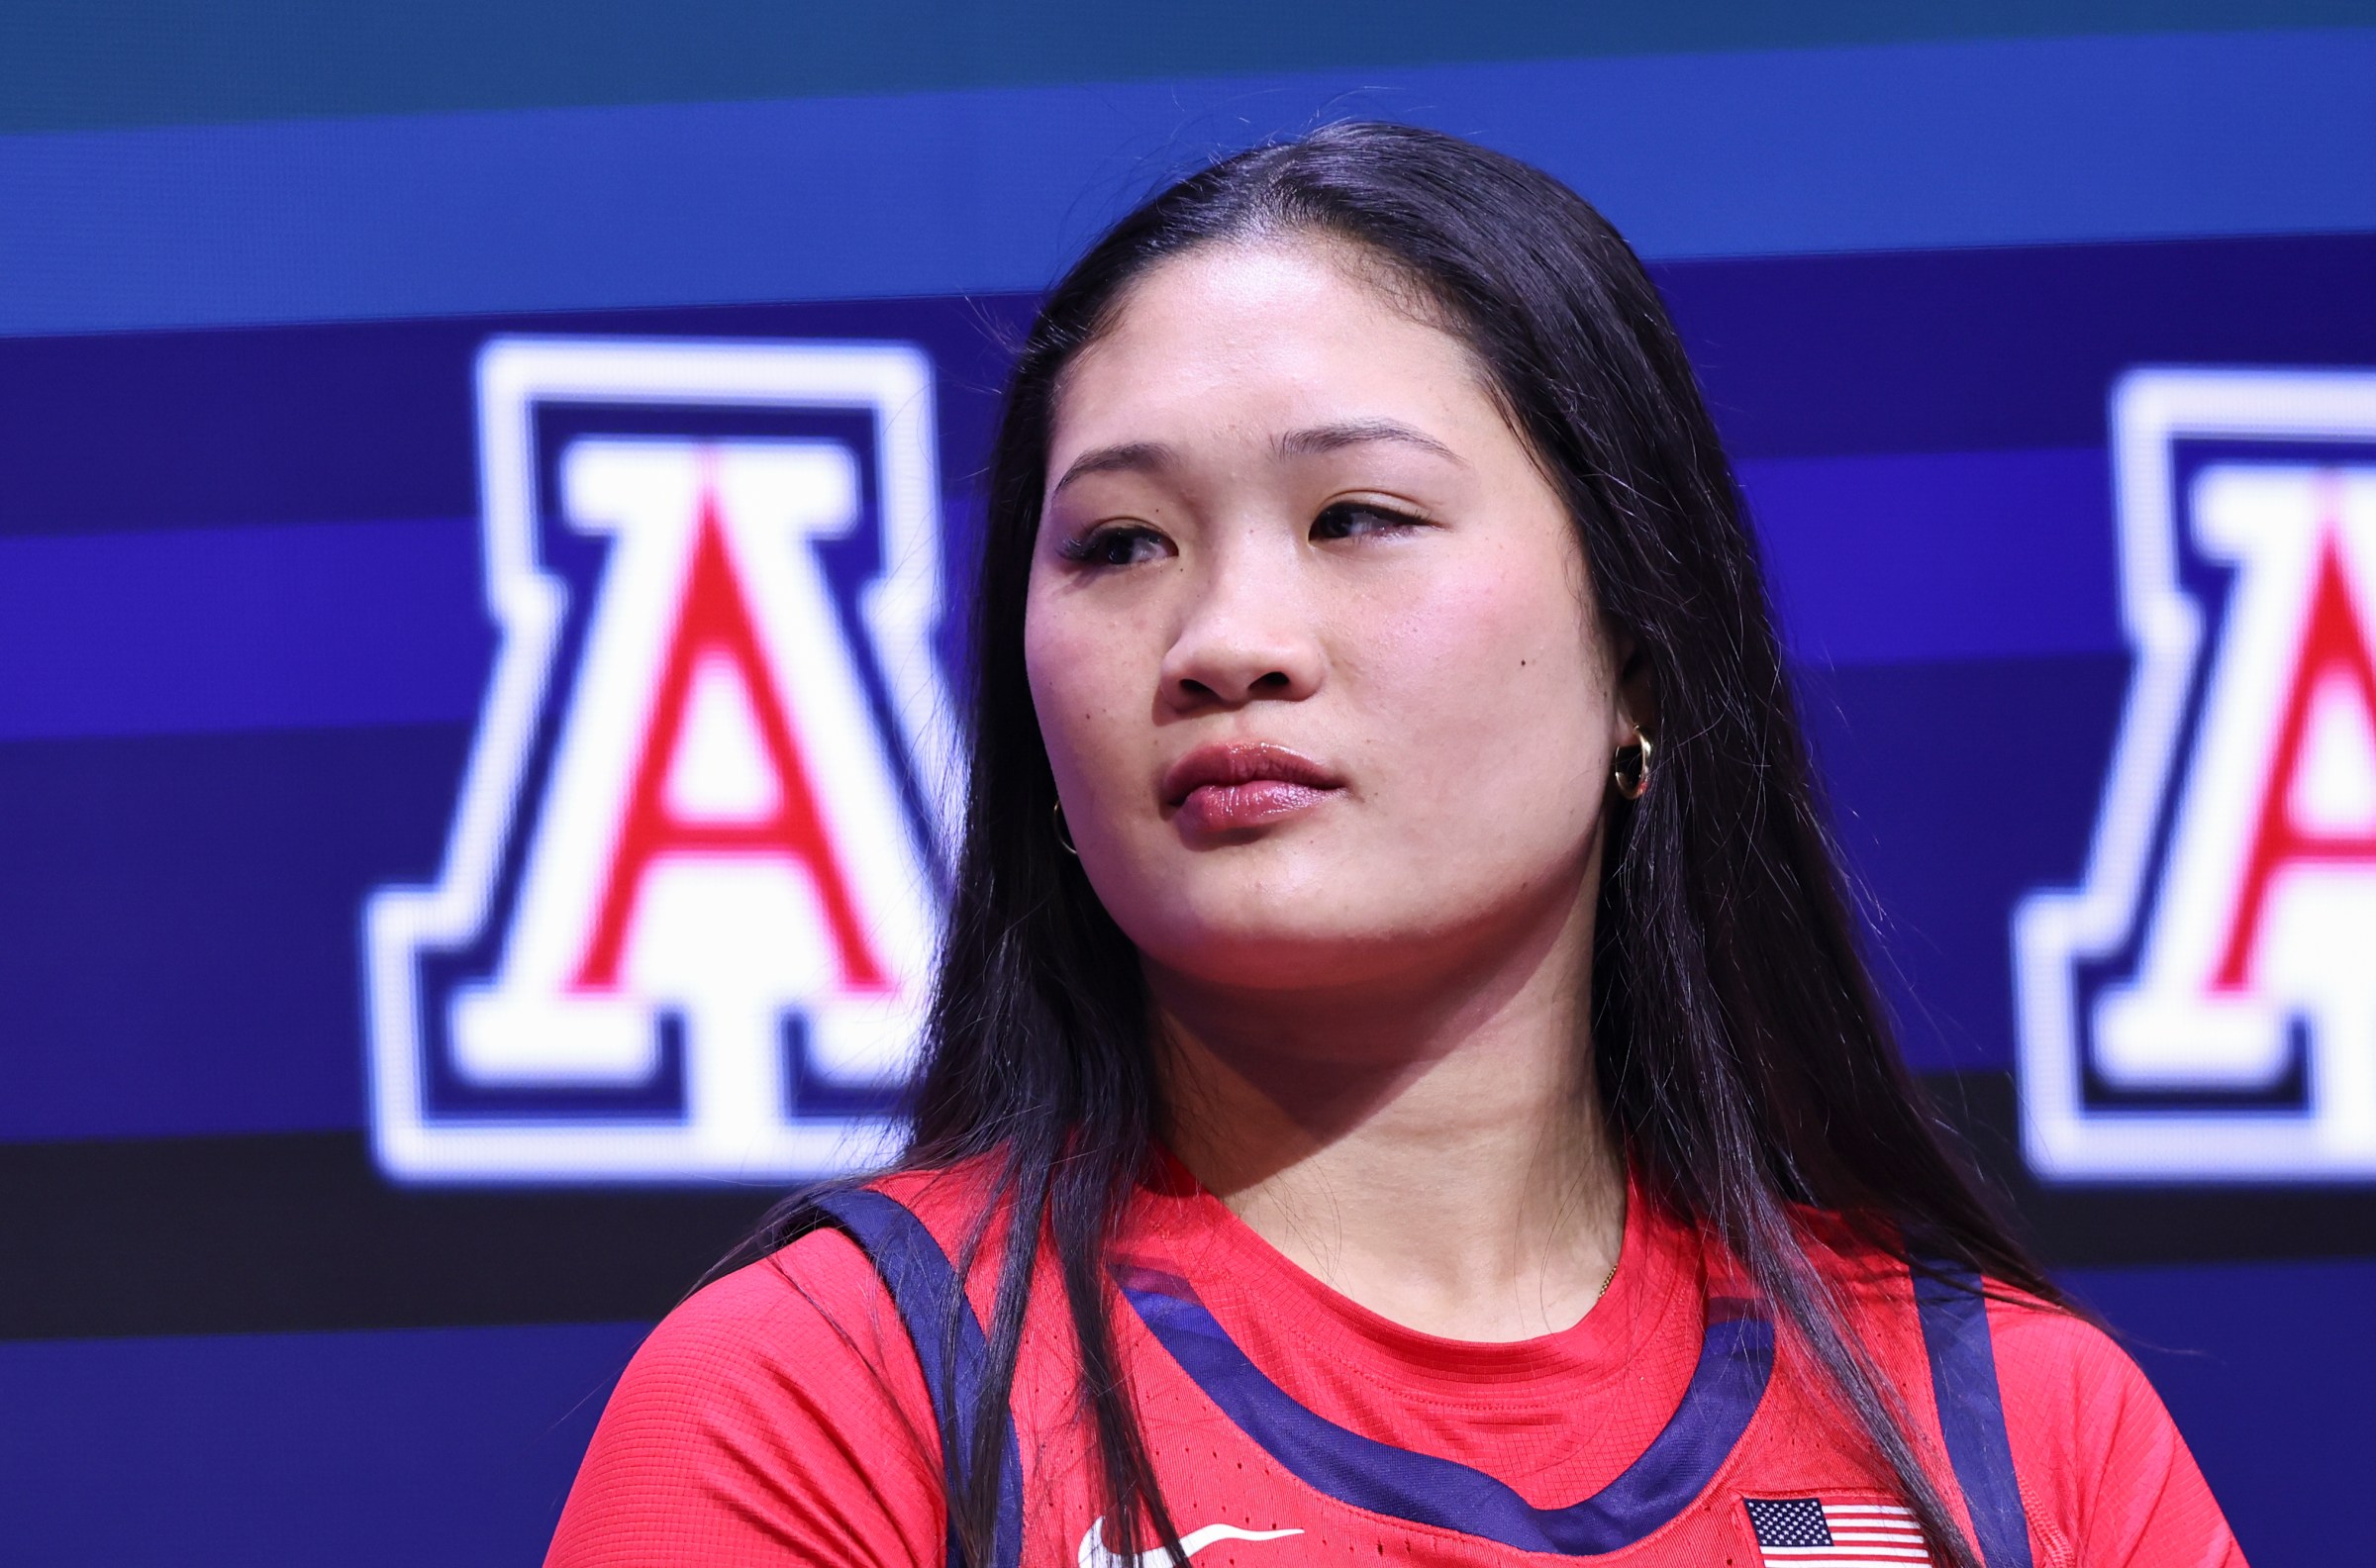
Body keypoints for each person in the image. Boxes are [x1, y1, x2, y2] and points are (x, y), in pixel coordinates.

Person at [544, 123, 2243, 1568]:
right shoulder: (834, 1399)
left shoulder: (2015, 1433)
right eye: (1121, 544)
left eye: (1357, 516)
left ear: (1641, 648)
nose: (1225, 637)